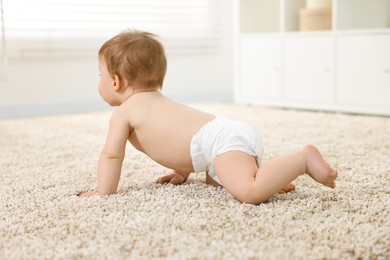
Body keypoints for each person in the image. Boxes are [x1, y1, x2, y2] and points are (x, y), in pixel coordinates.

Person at [79, 30, 338, 204]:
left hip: (220, 142)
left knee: (249, 193)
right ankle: (269, 175)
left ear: (115, 81)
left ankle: (302, 159)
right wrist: (181, 173)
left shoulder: (124, 113)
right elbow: (179, 137)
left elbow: (111, 155)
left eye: (99, 75)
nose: (99, 81)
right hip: (222, 135)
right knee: (219, 181)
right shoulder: (158, 102)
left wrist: (103, 192)